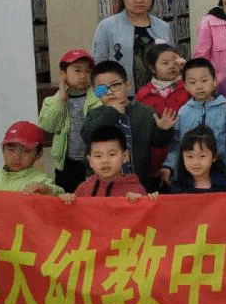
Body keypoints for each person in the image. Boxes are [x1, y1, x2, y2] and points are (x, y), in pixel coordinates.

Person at [83, 60, 176, 188]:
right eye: (101, 89)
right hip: (102, 184)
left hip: (139, 182)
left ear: (127, 85)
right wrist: (112, 113)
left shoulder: (145, 112)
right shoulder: (95, 113)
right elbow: (87, 136)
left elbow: (159, 143)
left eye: (115, 85)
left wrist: (163, 130)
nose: (109, 92)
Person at [163, 57, 226, 180]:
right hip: (189, 175)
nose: (199, 86)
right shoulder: (183, 112)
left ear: (214, 81)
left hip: (220, 174)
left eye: (204, 80)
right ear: (185, 86)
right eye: (192, 82)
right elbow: (176, 145)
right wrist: (169, 167)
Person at [92, 0, 175, 91]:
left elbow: (173, 59)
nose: (139, 0)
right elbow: (99, 63)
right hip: (121, 94)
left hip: (160, 93)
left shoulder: (163, 26)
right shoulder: (107, 26)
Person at [38, 48, 99, 193]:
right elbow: (47, 127)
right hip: (66, 163)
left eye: (88, 71)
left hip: (93, 161)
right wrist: (60, 100)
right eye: (77, 70)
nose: (83, 75)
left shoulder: (98, 98)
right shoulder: (52, 101)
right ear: (63, 74)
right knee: (67, 196)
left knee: (92, 195)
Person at [135, 44, 190, 186]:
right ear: (153, 68)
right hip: (155, 155)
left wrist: (187, 69)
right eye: (165, 63)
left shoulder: (188, 87)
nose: (171, 66)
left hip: (184, 150)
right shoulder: (143, 94)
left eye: (175, 61)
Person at [63, 126, 150, 201]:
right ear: (90, 161)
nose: (105, 160)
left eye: (112, 154)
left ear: (125, 157)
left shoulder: (135, 190)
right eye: (98, 156)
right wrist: (67, 200)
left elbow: (145, 213)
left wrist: (140, 202)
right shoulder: (84, 189)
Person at [169, 126, 226, 194]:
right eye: (190, 156)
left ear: (214, 157)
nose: (195, 162)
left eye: (202, 156)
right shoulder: (177, 189)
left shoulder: (225, 187)